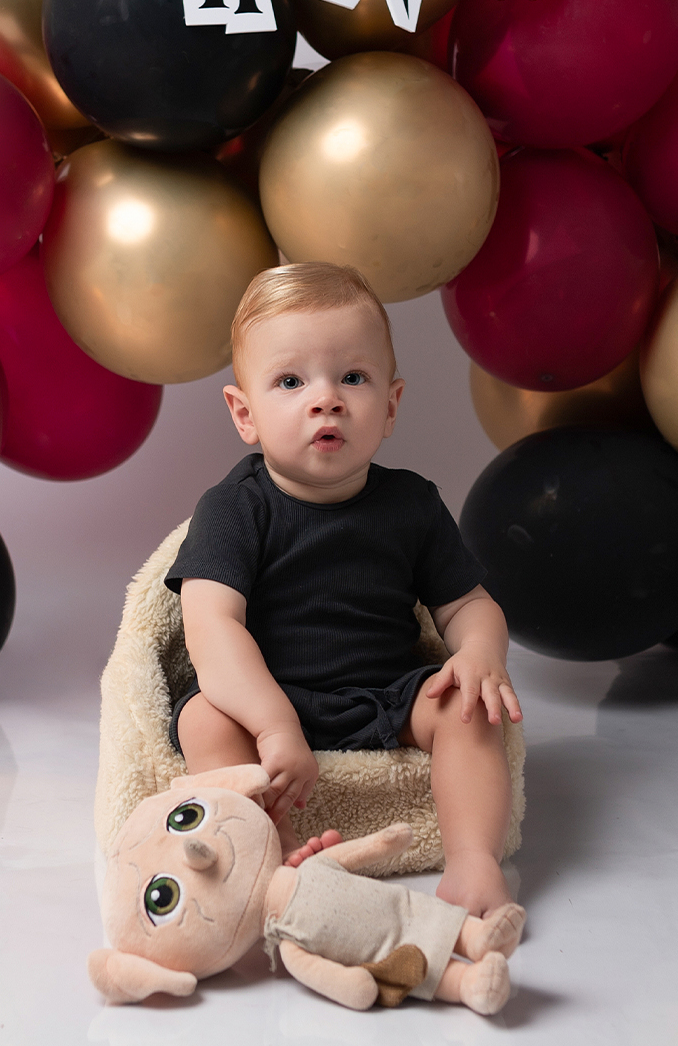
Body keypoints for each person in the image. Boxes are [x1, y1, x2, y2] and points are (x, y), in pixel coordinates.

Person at [166, 262, 522, 918]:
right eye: (291, 381)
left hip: (385, 693)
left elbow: (469, 604)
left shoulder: (412, 504)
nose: (326, 399)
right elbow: (212, 628)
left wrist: (478, 652)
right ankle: (267, 848)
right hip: (266, 697)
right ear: (244, 414)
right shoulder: (234, 509)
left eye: (353, 378)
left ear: (390, 406)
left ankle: (474, 862)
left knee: (466, 708)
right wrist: (274, 726)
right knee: (203, 718)